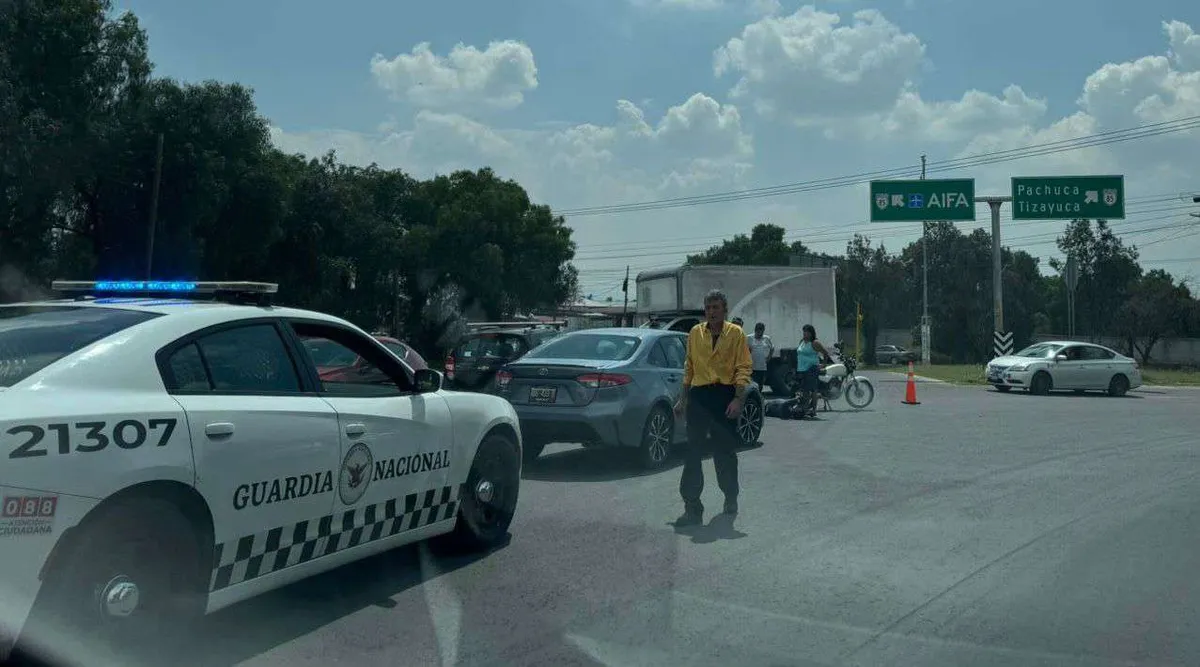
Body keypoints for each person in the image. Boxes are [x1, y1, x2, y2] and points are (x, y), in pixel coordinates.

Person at [673, 289, 752, 526]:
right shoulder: (695, 333)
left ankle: (730, 495)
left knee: (724, 451)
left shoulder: (736, 334)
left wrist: (738, 399)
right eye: (708, 308)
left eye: (716, 307)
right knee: (693, 452)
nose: (711, 312)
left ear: (725, 309)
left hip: (724, 396)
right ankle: (692, 508)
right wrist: (683, 398)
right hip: (699, 396)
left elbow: (744, 367)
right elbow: (690, 368)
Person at [796, 324, 833, 416]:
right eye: (804, 331)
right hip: (801, 368)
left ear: (811, 333)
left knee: (812, 389)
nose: (805, 334)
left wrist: (823, 364)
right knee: (804, 390)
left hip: (811, 368)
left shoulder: (815, 343)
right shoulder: (802, 341)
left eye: (807, 332)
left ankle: (813, 409)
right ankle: (805, 407)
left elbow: (825, 353)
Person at [747, 322, 773, 389]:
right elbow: (746, 350)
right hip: (752, 367)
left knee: (760, 385)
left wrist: (769, 357)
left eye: (761, 331)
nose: (760, 333)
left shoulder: (766, 338)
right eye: (758, 331)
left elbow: (772, 348)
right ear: (755, 330)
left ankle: (760, 397)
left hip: (762, 367)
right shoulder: (749, 338)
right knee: (752, 385)